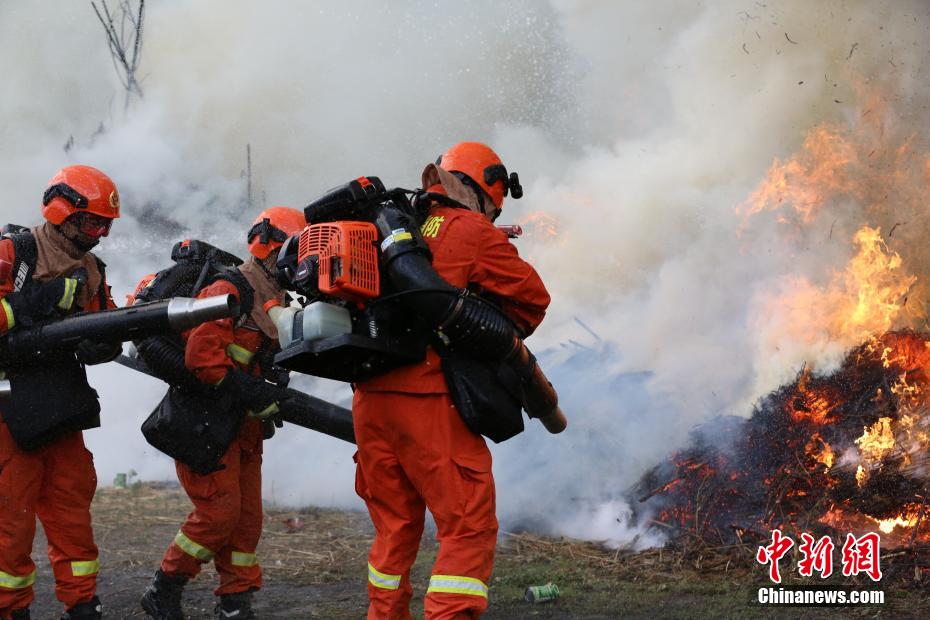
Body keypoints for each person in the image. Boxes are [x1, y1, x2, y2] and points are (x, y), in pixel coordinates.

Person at [353, 142, 551, 619]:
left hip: (369, 401)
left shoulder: (393, 227)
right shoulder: (471, 229)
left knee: (394, 530)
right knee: (467, 528)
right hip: (429, 401)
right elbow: (533, 300)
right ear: (484, 189)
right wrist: (484, 320)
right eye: (493, 206)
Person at [140, 206, 306, 620]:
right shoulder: (229, 289)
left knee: (247, 522)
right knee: (218, 515)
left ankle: (235, 602)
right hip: (204, 422)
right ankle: (165, 586)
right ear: (269, 246)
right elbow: (201, 358)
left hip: (243, 426)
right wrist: (251, 391)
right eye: (294, 249)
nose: (299, 260)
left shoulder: (277, 298)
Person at [0, 165, 122, 620]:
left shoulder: (92, 270)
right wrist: (43, 299)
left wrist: (104, 345)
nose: (99, 235)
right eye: (92, 223)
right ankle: (11, 608)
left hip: (60, 403)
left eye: (106, 226)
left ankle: (83, 603)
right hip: (9, 406)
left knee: (72, 511)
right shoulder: (14, 252)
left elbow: (107, 324)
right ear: (61, 211)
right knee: (10, 519)